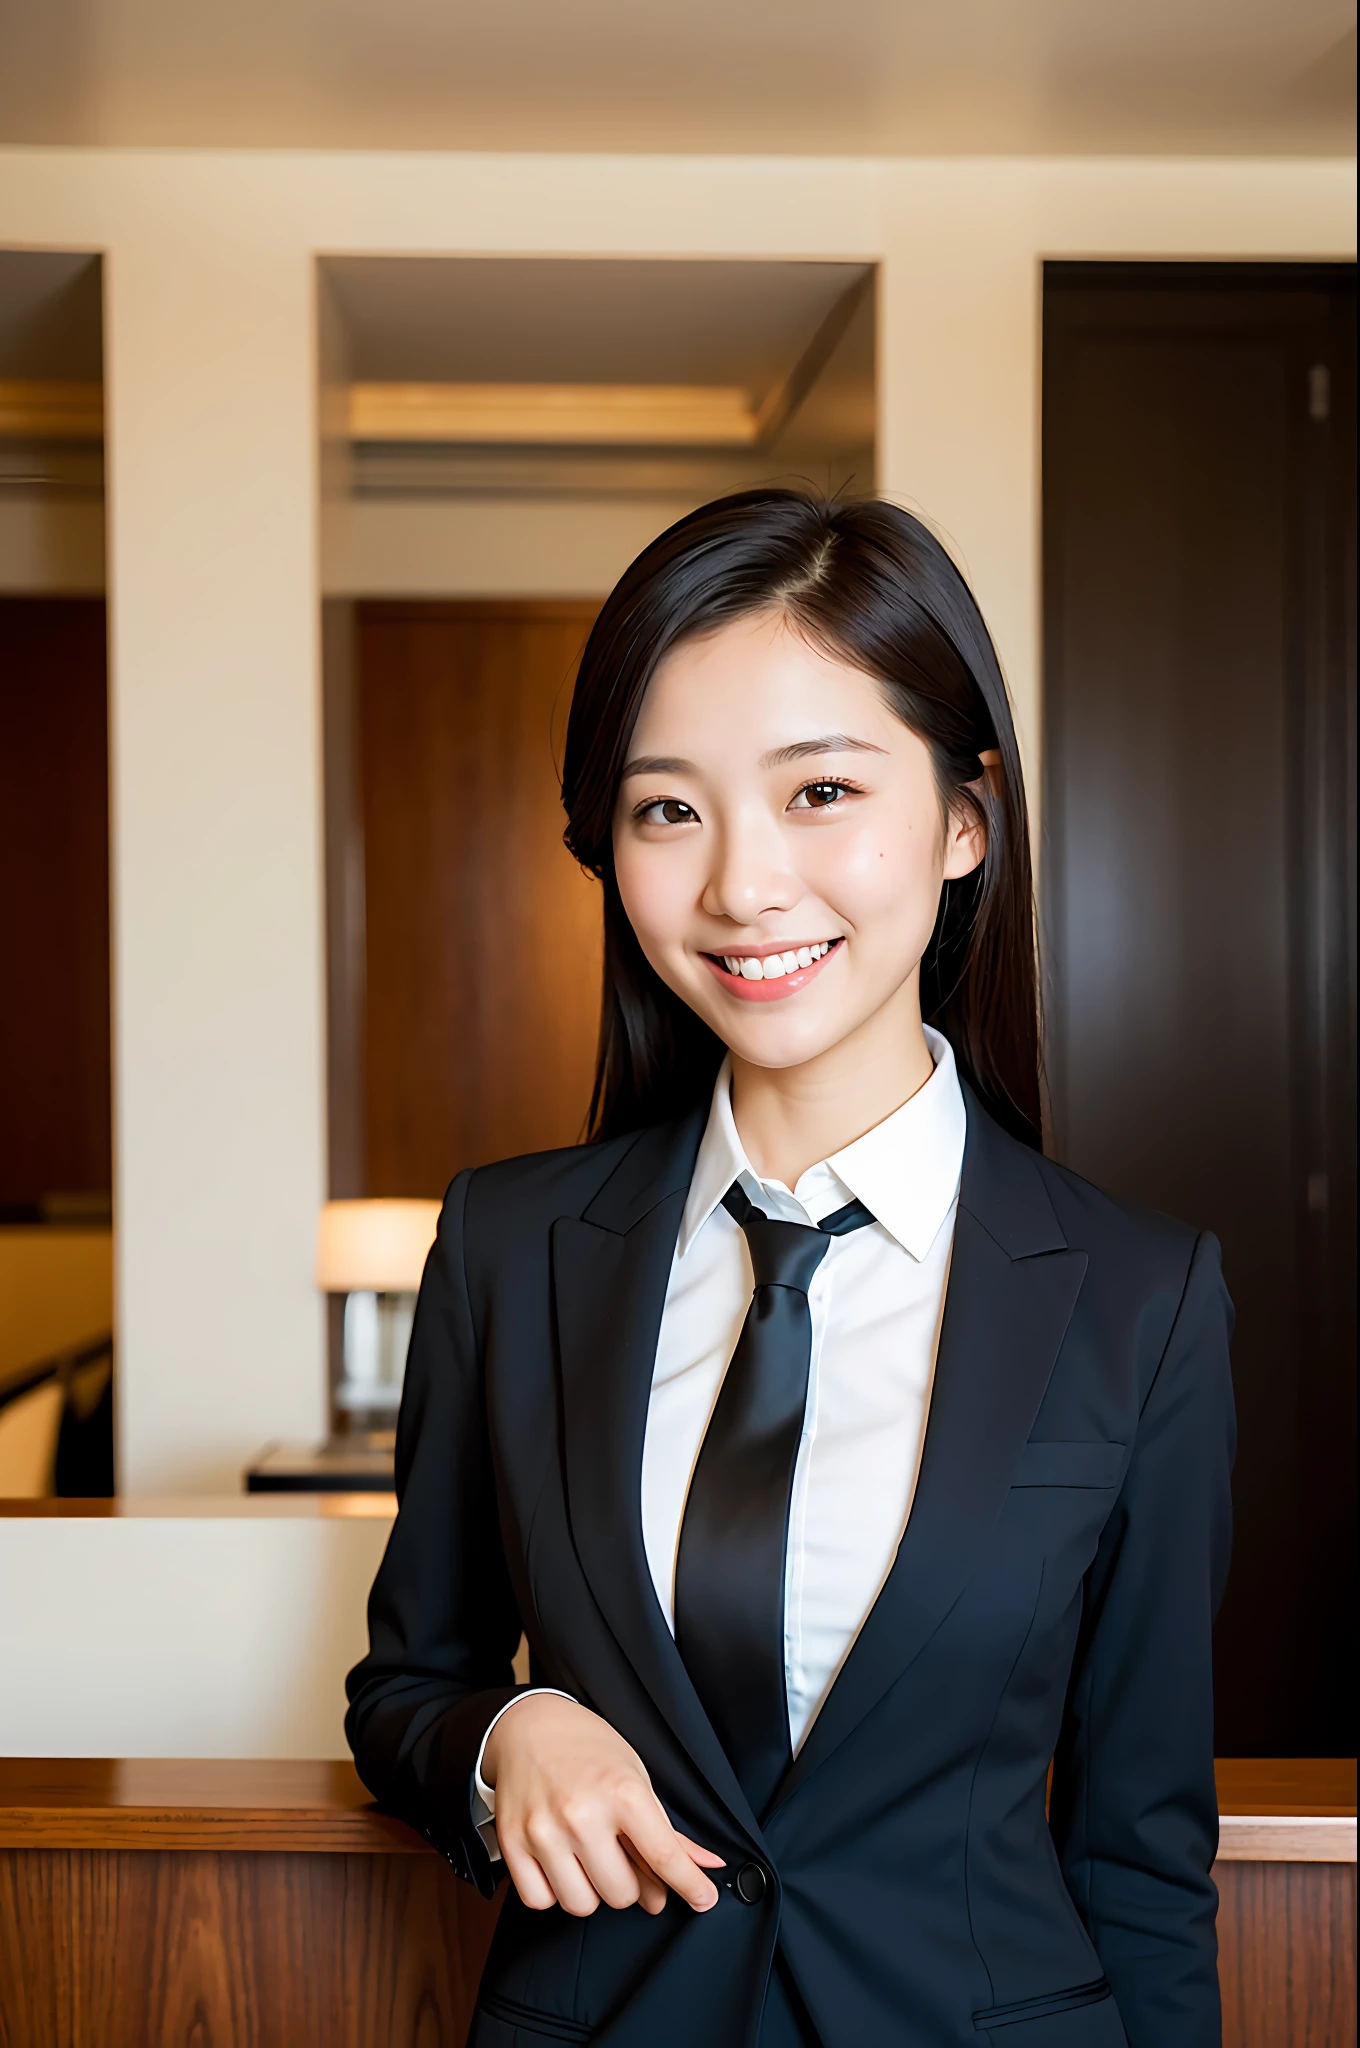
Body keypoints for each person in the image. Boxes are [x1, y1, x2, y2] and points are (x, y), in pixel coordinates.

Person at [345, 490, 1235, 2048]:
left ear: (966, 820)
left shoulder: (1140, 1298)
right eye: (666, 810)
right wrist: (509, 1730)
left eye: (819, 789)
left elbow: (1141, 1851)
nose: (743, 887)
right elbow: (407, 1684)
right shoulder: (506, 1246)